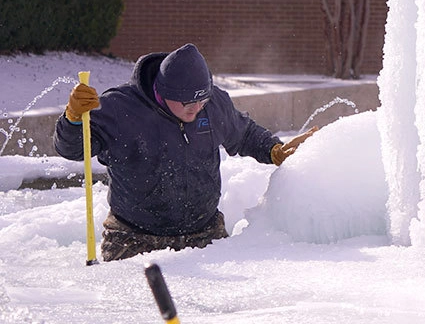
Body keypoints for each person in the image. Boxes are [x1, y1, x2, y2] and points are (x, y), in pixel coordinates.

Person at [54, 43, 316, 261]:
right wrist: (73, 119)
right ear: (162, 92)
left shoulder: (213, 105)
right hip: (133, 238)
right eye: (188, 103)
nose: (197, 109)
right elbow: (73, 148)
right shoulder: (120, 108)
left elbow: (244, 133)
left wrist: (273, 149)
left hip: (204, 233)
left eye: (202, 101)